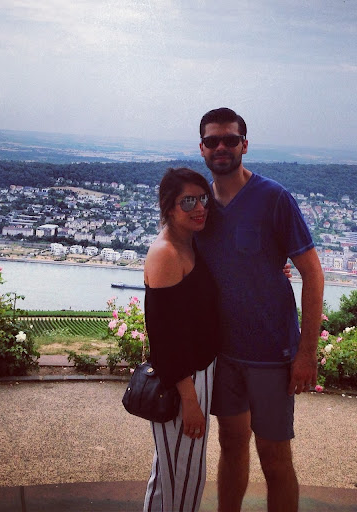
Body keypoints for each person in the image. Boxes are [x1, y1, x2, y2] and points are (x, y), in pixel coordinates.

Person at [194, 107, 325, 512]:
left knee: (274, 456)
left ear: (244, 145)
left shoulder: (273, 198)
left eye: (230, 140)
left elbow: (313, 273)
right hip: (222, 354)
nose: (221, 147)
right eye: (213, 140)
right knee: (231, 444)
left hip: (271, 353)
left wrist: (307, 353)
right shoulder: (199, 206)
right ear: (202, 148)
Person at [142, 167, 220, 512]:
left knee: (172, 475)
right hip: (183, 381)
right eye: (188, 201)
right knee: (183, 476)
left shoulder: (188, 242)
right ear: (169, 206)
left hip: (198, 373)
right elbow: (164, 338)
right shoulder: (167, 253)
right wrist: (190, 400)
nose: (199, 207)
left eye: (203, 199)